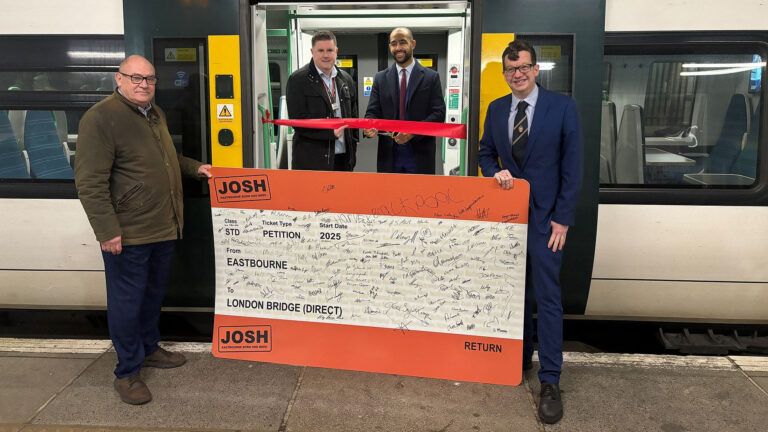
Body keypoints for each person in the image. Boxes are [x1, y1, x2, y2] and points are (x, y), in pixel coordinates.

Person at [74, 55, 212, 405]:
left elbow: (167, 160)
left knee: (152, 296)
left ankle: (149, 348)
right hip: (129, 232)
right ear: (118, 79)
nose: (143, 84)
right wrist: (107, 230)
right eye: (135, 77)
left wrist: (197, 169)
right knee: (127, 302)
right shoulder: (101, 118)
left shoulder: (154, 113)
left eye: (149, 78)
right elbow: (89, 182)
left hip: (163, 226)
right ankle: (127, 372)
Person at [477, 40, 582, 424]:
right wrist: (495, 172)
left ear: (536, 69)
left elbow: (573, 166)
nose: (517, 74)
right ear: (505, 73)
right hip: (509, 221)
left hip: (546, 222)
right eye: (511, 69)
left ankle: (550, 380)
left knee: (548, 298)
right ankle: (518, 358)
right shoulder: (496, 109)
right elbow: (485, 153)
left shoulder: (563, 108)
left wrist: (562, 218)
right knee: (514, 292)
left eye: (523, 67)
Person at [363, 27, 446, 174]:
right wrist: (369, 126)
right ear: (389, 46)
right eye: (393, 44)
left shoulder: (431, 77)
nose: (398, 48)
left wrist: (412, 132)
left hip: (420, 155)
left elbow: (438, 114)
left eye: (403, 42)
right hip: (389, 156)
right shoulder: (381, 78)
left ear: (413, 44)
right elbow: (372, 112)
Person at [286, 30, 358, 171]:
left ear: (336, 51)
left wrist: (355, 142)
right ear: (312, 52)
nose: (325, 55)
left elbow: (353, 117)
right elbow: (298, 122)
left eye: (329, 50)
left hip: (344, 159)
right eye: (320, 50)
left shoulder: (346, 79)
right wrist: (330, 134)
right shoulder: (298, 80)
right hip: (312, 161)